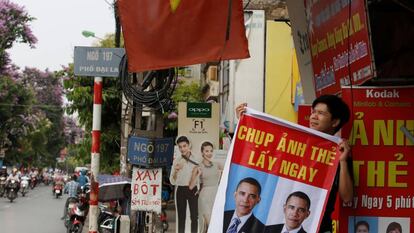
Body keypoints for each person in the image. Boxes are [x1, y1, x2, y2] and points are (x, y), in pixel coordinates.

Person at [236, 94, 354, 233]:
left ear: (335, 122)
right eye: (313, 112)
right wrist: (245, 122)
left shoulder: (339, 152)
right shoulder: (295, 143)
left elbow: (347, 197)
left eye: (321, 113)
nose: (314, 116)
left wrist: (343, 161)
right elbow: (264, 149)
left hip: (319, 227)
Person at [189, 141, 222, 233]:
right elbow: (191, 186)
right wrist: (198, 174)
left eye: (211, 151)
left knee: (211, 226)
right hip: (205, 198)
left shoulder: (217, 165)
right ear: (202, 152)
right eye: (207, 151)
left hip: (216, 197)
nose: (209, 153)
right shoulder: (198, 167)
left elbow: (227, 170)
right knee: (211, 224)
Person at [169, 136, 199, 233]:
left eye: (184, 146)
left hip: (193, 189)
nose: (182, 149)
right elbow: (172, 181)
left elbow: (200, 176)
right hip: (180, 190)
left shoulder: (196, 159)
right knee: (181, 218)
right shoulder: (176, 160)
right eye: (180, 147)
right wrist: (176, 171)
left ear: (189, 145)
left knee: (194, 217)